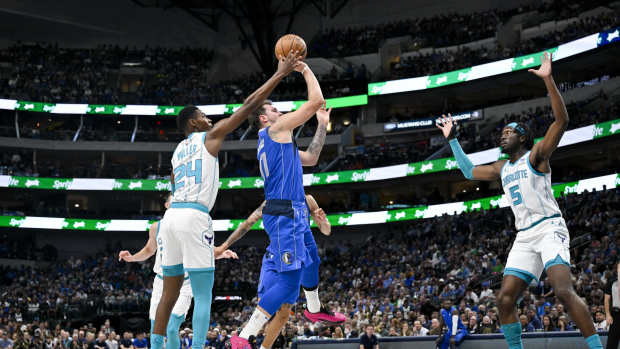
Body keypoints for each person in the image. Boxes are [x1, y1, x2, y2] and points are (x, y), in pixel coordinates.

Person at [436, 52, 603, 349]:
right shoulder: (502, 168)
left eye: (509, 132)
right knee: (504, 298)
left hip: (550, 227)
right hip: (525, 236)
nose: (503, 136)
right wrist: (452, 139)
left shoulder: (536, 157)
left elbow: (562, 121)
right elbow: (467, 170)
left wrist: (548, 79)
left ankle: (596, 346)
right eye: (502, 133)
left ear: (523, 138)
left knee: (562, 290)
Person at [150, 51, 299, 349]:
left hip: (171, 217)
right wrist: (280, 74)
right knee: (203, 295)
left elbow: (173, 182)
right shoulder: (209, 136)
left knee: (168, 294)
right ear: (193, 122)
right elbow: (248, 107)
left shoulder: (177, 151)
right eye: (204, 116)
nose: (210, 119)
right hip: (194, 216)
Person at [231, 57, 340, 349]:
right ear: (265, 118)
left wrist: (322, 125)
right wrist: (303, 68)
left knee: (313, 261)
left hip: (297, 212)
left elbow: (313, 158)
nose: (280, 111)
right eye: (275, 109)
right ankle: (244, 336)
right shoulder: (274, 132)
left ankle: (315, 309)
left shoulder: (281, 142)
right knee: (290, 284)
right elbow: (316, 99)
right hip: (283, 214)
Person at [119, 194, 237, 348]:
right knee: (156, 334)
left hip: (184, 284)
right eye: (174, 200)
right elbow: (149, 250)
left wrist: (219, 253)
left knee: (171, 328)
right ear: (167, 205)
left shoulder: (188, 225)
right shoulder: (156, 227)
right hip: (162, 282)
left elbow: (201, 249)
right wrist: (132, 258)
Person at [216, 194, 333, 349]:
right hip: (274, 259)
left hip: (294, 261)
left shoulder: (307, 200)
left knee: (284, 313)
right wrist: (223, 246)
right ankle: (244, 337)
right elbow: (247, 223)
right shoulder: (271, 201)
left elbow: (326, 230)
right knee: (264, 308)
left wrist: (323, 223)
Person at [604, 261, 620, 349]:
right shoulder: (611, 281)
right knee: (611, 344)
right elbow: (606, 300)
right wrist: (607, 314)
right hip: (616, 315)